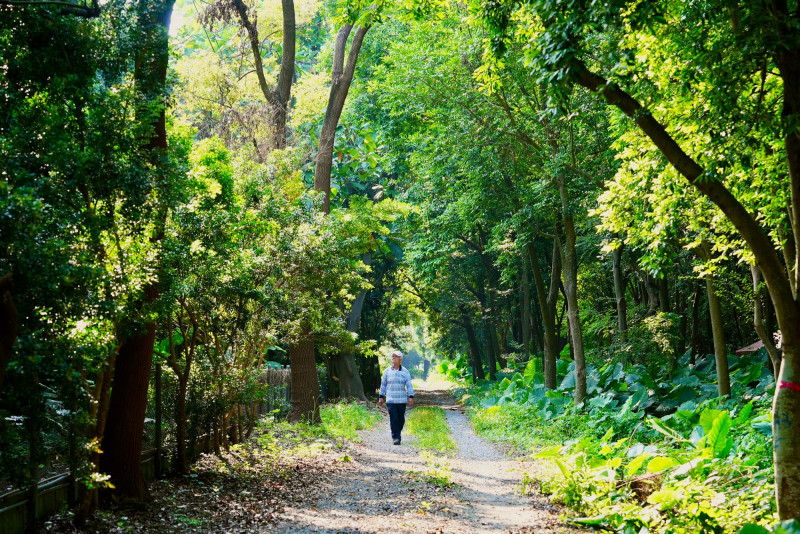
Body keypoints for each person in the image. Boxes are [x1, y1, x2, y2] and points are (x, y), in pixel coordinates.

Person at [378, 350, 414, 445]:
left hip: (401, 400)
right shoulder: (387, 371)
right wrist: (381, 396)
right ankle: (396, 437)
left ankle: (397, 432)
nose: (394, 357)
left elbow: (409, 385)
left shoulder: (405, 372)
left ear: (400, 359)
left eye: (396, 356)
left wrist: (411, 396)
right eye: (393, 356)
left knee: (401, 420)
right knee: (393, 418)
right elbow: (383, 385)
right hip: (391, 400)